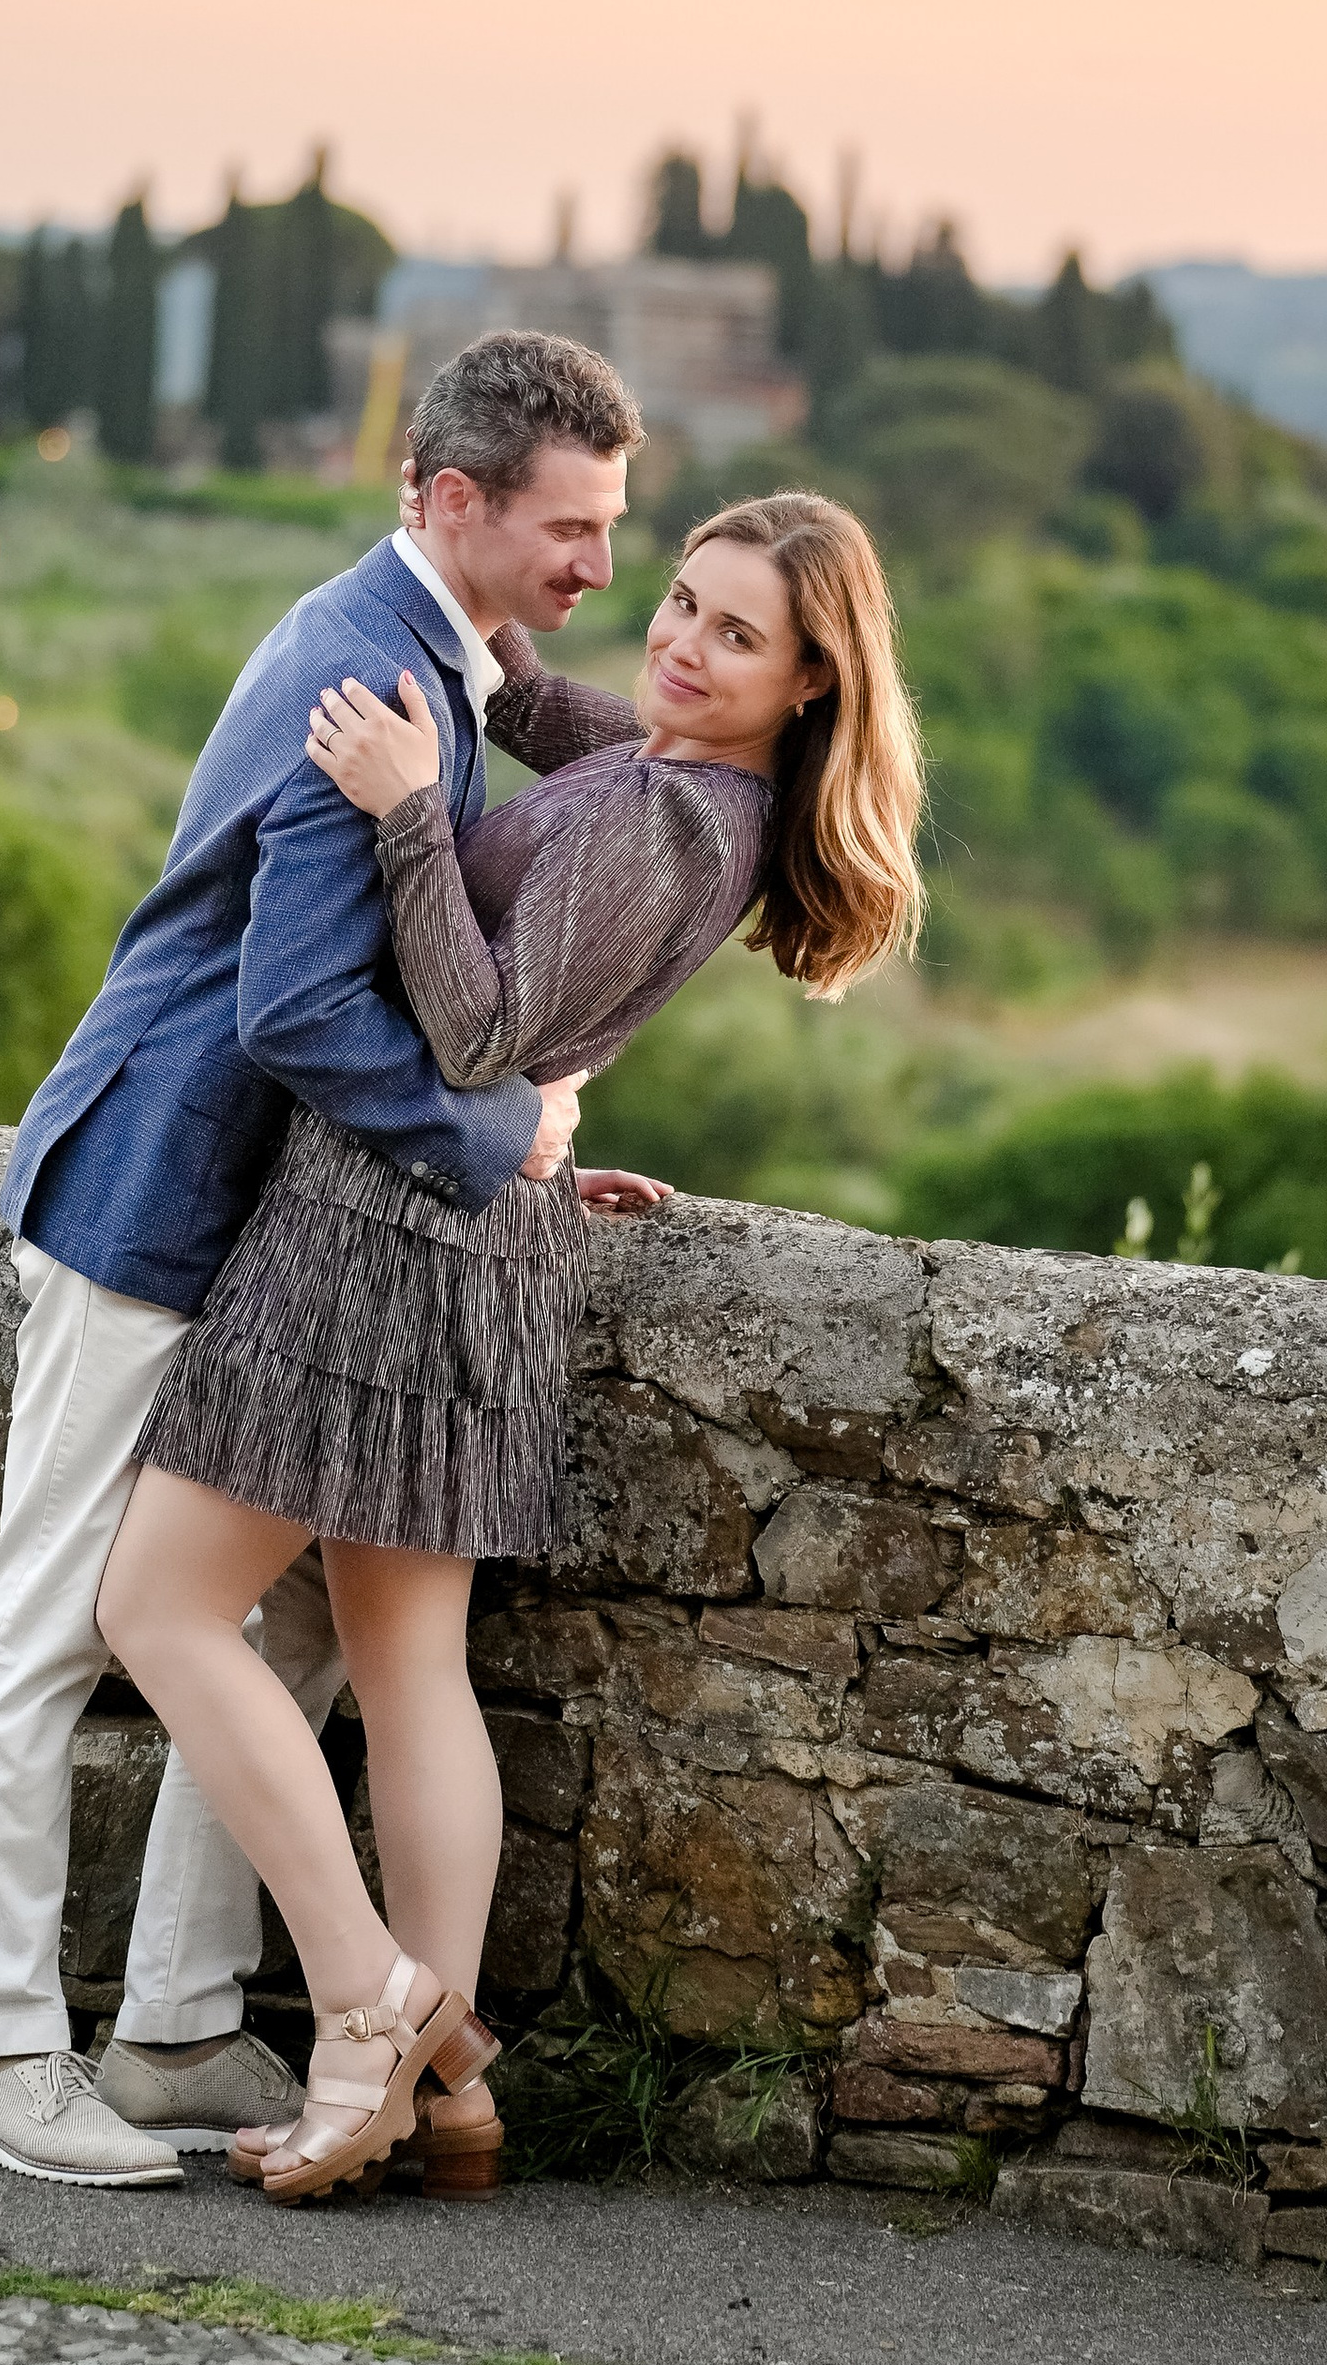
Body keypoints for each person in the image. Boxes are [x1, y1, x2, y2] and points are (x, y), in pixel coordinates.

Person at [94, 485, 926, 2204]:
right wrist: (451, 576)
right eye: (680, 600)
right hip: (473, 1245)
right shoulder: (688, 774)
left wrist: (407, 818)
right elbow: (545, 708)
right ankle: (443, 2087)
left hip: (378, 1244)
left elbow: (476, 1031)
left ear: (814, 684)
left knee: (157, 1607)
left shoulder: (670, 827)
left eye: (736, 633)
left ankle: (375, 2006)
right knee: (407, 1665)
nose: (683, 644)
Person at [0, 330, 644, 2186]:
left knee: (275, 1633)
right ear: (453, 498)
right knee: (49, 1631)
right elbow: (308, 1008)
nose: (597, 568)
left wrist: (551, 1146)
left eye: (610, 530)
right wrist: (511, 1145)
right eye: (570, 529)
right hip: (152, 1192)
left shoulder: (449, 661)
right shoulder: (361, 663)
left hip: (264, 1227)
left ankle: (175, 2027)